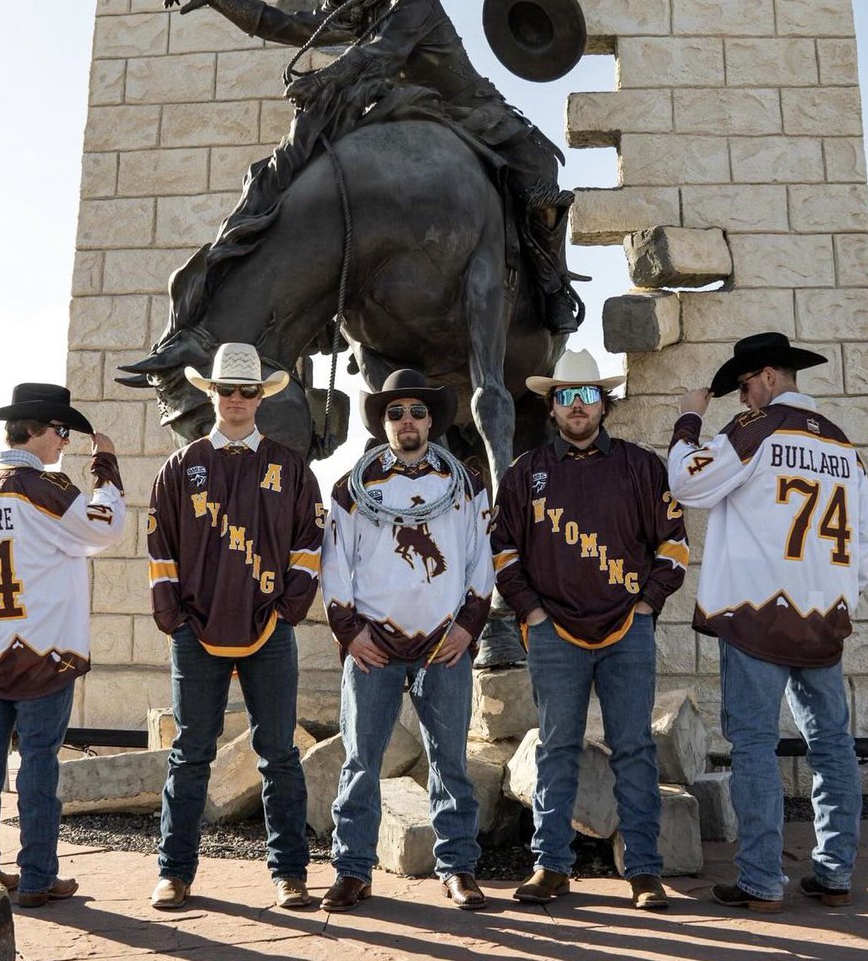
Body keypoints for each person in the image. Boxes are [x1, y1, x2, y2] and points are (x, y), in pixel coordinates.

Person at [159, 0, 583, 342]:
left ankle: (552, 286)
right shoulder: (358, 4)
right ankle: (323, 306)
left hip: (470, 112)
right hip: (400, 109)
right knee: (314, 175)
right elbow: (287, 24)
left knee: (539, 179)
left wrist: (323, 78)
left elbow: (381, 52)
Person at [667, 332, 868, 912]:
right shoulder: (842, 445)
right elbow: (864, 541)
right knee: (833, 745)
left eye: (742, 386)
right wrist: (837, 599)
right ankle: (835, 874)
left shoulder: (756, 430)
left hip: (756, 615)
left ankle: (761, 881)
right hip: (823, 619)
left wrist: (689, 418)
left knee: (755, 746)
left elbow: (686, 482)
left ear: (764, 377)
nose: (741, 398)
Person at [492, 349, 688, 911]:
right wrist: (531, 611)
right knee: (556, 749)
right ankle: (550, 866)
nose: (577, 406)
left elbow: (674, 545)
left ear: (604, 402)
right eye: (565, 397)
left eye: (587, 395)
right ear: (552, 407)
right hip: (554, 632)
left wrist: (648, 603)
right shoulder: (524, 473)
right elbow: (502, 550)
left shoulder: (640, 466)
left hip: (628, 628)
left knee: (634, 748)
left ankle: (645, 871)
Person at [147, 342, 323, 911]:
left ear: (261, 397)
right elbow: (161, 550)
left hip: (269, 631)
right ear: (212, 394)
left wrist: (287, 609)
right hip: (197, 632)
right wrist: (175, 619)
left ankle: (290, 872)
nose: (239, 399)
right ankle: (174, 872)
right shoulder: (180, 467)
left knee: (279, 753)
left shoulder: (290, 466)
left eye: (249, 390)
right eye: (228, 389)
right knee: (191, 753)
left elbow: (308, 545)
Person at [320, 369, 494, 911]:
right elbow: (334, 563)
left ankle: (458, 867)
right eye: (395, 413)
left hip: (444, 641)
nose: (407, 421)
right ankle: (352, 869)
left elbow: (480, 559)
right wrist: (349, 633)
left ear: (432, 421)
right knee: (360, 760)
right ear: (384, 423)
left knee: (451, 760)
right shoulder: (354, 487)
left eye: (417, 411)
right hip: (376, 643)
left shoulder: (465, 483)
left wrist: (469, 625)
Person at [0, 383, 125, 907]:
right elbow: (106, 527)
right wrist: (106, 468)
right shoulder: (41, 487)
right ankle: (36, 876)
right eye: (60, 431)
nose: (65, 443)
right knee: (39, 762)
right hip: (43, 651)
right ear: (33, 430)